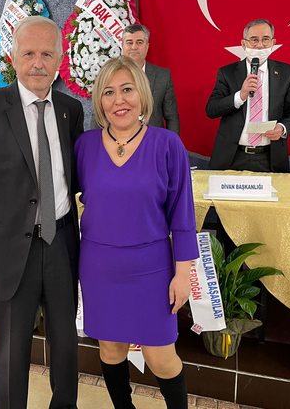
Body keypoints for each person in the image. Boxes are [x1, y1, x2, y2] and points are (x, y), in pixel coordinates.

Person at [0, 16, 84, 409]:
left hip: (62, 244)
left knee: (66, 347)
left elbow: (76, 175)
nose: (38, 63)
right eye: (28, 54)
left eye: (47, 54)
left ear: (59, 60)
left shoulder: (71, 110)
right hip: (8, 254)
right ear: (13, 58)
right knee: (11, 353)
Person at [75, 56, 198, 409]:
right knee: (111, 349)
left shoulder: (167, 144)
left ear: (142, 95)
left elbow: (182, 215)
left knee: (161, 357)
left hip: (151, 268)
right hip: (99, 266)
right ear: (99, 101)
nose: (119, 100)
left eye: (127, 89)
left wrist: (183, 275)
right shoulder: (84, 146)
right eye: (109, 92)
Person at [205, 19, 290, 172]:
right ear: (243, 43)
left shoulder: (286, 72)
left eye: (265, 39)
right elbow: (211, 110)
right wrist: (241, 95)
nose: (260, 45)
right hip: (232, 157)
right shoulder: (227, 73)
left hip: (270, 157)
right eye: (254, 40)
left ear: (273, 42)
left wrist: (282, 128)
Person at [122, 24, 180, 133]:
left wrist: (172, 142)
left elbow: (172, 117)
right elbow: (98, 115)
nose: (134, 47)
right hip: (118, 140)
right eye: (129, 42)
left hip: (154, 140)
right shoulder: (109, 75)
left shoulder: (163, 76)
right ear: (122, 45)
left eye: (139, 42)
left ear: (147, 46)